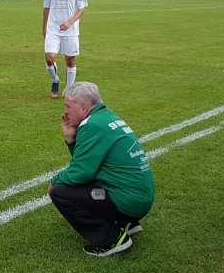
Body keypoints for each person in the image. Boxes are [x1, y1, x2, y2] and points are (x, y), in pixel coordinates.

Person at [48, 82, 155, 256]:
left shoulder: (92, 125)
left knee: (60, 191)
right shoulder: (107, 116)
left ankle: (111, 239)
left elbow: (80, 173)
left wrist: (54, 182)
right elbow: (88, 162)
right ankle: (128, 223)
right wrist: (71, 139)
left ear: (83, 107)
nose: (65, 112)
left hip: (128, 200)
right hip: (139, 198)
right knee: (83, 183)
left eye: (68, 106)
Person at [43, 0, 88, 98]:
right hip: (53, 28)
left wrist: (69, 22)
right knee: (50, 58)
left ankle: (69, 90)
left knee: (70, 59)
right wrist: (44, 26)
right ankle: (55, 80)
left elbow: (81, 9)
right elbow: (46, 7)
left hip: (70, 30)